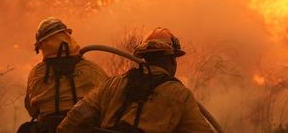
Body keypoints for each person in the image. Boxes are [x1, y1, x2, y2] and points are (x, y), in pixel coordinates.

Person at [57, 27, 213, 133]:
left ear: (143, 58)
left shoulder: (111, 85)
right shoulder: (180, 95)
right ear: (172, 60)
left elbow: (73, 119)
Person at [22, 18, 108, 133]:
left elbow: (32, 109)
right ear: (68, 37)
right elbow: (108, 102)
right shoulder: (91, 68)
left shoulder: (36, 73)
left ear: (43, 45)